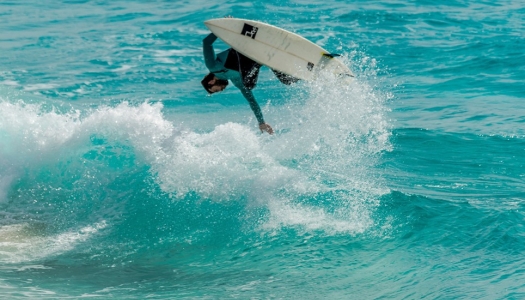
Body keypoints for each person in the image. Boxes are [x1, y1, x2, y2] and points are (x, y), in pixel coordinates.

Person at [201, 31, 299, 135]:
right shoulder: (236, 81)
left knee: (248, 84)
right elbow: (252, 101)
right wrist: (261, 122)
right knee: (287, 81)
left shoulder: (212, 66)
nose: (221, 90)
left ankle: (260, 61)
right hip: (260, 58)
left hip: (246, 51)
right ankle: (306, 73)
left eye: (216, 89)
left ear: (211, 81)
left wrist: (222, 28)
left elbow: (207, 43)